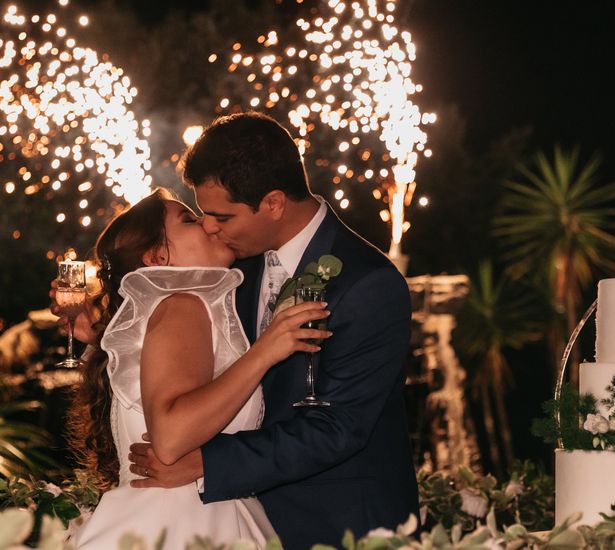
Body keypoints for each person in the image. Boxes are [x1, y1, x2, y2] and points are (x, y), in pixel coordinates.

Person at [128, 112, 419, 549]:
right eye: (203, 215)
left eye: (221, 216)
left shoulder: (369, 283)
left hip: (339, 525)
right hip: (242, 524)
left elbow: (337, 428)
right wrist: (95, 317)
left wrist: (206, 463)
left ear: (274, 203)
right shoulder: (234, 262)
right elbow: (174, 323)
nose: (209, 227)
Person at [55, 188, 332, 549]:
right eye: (190, 220)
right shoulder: (183, 304)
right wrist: (265, 351)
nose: (208, 224)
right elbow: (169, 439)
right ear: (158, 255)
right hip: (185, 527)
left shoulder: (174, 308)